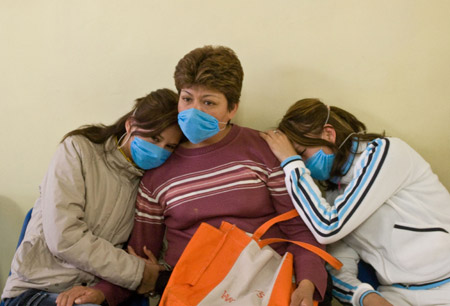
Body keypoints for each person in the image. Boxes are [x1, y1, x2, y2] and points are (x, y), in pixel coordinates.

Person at [80, 46, 329, 306]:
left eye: (208, 102)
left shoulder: (263, 149)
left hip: (267, 284)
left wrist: (308, 282)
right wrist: (103, 293)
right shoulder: (157, 171)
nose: (193, 111)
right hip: (193, 291)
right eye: (187, 99)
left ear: (232, 108)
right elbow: (141, 254)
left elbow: (300, 227)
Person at [259, 98, 450, 306]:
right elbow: (339, 263)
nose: (305, 166)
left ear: (329, 134)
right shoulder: (333, 197)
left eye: (302, 154)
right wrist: (363, 296)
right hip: (397, 293)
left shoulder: (386, 152)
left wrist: (291, 163)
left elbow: (328, 227)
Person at [1, 89, 182, 306]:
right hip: (37, 289)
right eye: (155, 138)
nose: (159, 150)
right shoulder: (78, 150)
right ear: (130, 125)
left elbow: (149, 252)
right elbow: (64, 236)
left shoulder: (150, 185)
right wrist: (141, 272)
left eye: (169, 146)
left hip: (91, 295)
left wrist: (152, 271)